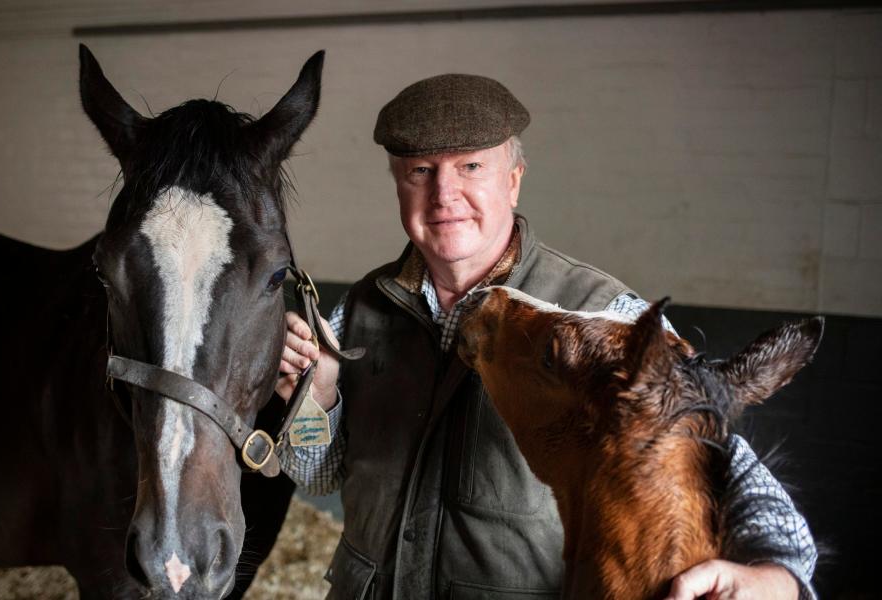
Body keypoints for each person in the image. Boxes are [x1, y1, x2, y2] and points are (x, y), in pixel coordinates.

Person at [275, 74, 817, 599]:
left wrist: (778, 576)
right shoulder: (363, 307)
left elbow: (728, 466)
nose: (445, 194)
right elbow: (318, 476)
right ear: (398, 183)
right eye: (421, 170)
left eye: (471, 166)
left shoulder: (608, 317)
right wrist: (316, 400)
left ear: (512, 180)